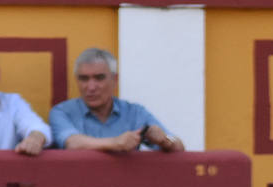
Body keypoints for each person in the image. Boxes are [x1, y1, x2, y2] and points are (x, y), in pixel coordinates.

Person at [49, 48, 184, 153]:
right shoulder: (62, 112)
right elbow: (72, 143)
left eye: (99, 78)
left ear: (115, 79)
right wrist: (116, 143)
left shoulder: (134, 112)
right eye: (84, 79)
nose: (91, 87)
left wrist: (165, 140)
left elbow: (179, 147)